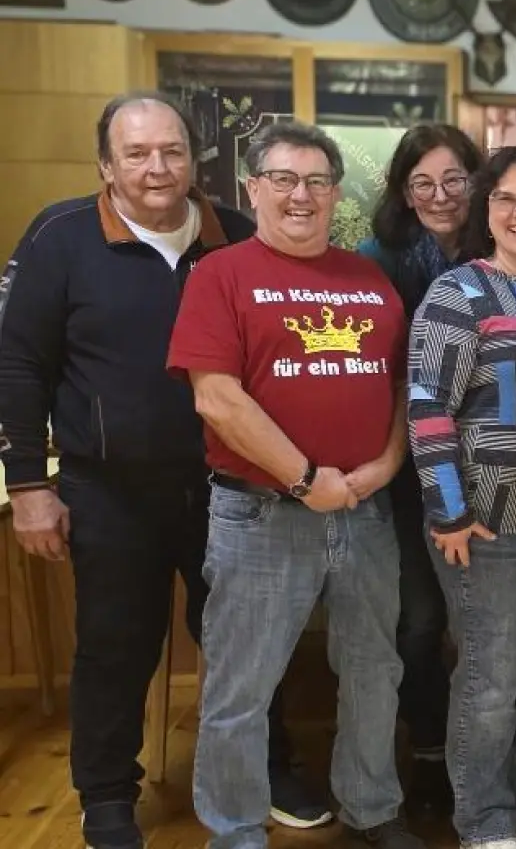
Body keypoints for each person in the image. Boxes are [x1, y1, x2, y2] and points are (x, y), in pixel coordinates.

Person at [0, 93, 321, 849]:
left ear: (194, 158)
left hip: (231, 488)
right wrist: (29, 484)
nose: (157, 168)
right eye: (137, 154)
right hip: (111, 488)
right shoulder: (59, 236)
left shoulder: (235, 234)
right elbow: (18, 364)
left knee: (248, 644)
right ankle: (108, 795)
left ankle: (267, 768)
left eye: (172, 151)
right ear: (105, 165)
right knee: (116, 645)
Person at [167, 121, 423, 849]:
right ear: (253, 188)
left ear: (335, 194)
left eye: (316, 181)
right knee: (240, 686)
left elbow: (399, 387)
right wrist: (307, 478)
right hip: (262, 514)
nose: (300, 195)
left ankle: (372, 808)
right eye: (283, 179)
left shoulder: (369, 280)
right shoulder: (220, 275)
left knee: (374, 670)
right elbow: (217, 398)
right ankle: (234, 830)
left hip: (364, 510)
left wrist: (385, 465)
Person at [408, 144, 516, 849]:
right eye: (505, 199)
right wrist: (448, 511)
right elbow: (428, 410)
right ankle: (482, 818)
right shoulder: (456, 294)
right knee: (490, 680)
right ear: (485, 211)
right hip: (485, 527)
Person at [358, 121, 485, 818]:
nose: (440, 195)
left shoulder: (504, 244)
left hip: (492, 467)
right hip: (402, 465)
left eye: (454, 179)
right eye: (422, 183)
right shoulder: (376, 259)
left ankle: (488, 758)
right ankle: (431, 746)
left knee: (487, 623)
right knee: (417, 618)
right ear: (403, 192)